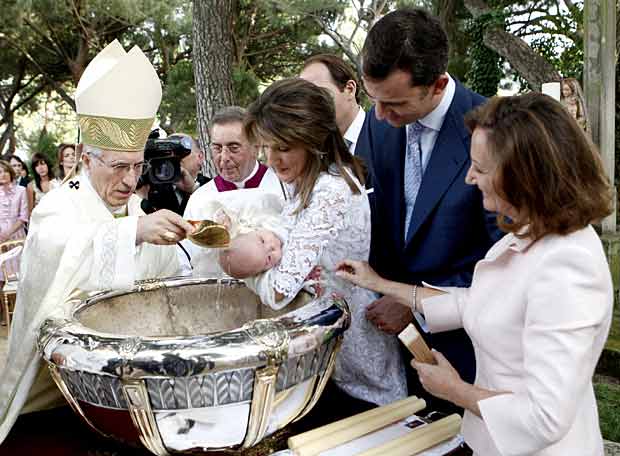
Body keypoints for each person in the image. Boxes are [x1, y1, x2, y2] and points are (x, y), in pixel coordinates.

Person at [337, 93, 613, 456]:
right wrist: (379, 283)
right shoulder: (529, 232)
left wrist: (454, 390)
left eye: (480, 169)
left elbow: (545, 417)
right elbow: (478, 302)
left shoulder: (568, 264)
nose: (469, 178)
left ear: (523, 176)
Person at [0, 39, 194, 444]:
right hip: (54, 393)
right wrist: (133, 235)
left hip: (124, 390)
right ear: (87, 160)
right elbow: (59, 259)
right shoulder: (56, 207)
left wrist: (182, 241)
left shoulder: (133, 210)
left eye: (138, 166)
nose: (129, 180)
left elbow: (158, 281)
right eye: (119, 166)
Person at [355, 7, 502, 408]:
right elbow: (378, 218)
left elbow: (504, 261)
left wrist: (413, 301)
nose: (382, 116)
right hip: (395, 345)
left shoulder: (493, 132)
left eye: (396, 104)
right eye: (375, 100)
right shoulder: (378, 122)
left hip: (470, 351)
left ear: (437, 84)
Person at [243, 78, 407, 418]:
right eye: (266, 148)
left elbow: (277, 291)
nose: (271, 159)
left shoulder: (332, 189)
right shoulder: (307, 182)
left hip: (360, 364)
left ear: (313, 139)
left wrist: (237, 265)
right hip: (327, 360)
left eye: (283, 147)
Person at [181, 107, 283, 275]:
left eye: (233, 147)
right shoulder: (200, 199)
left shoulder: (281, 187)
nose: (224, 157)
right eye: (217, 148)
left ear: (255, 147)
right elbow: (185, 258)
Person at [184, 188, 285, 278]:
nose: (271, 247)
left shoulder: (260, 221)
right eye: (268, 258)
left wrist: (226, 218)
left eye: (262, 241)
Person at [300, 54, 366, 155]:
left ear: (350, 89)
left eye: (319, 92)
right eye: (304, 96)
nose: (310, 103)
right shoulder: (312, 149)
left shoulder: (387, 134)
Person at [0, 160, 28, 277]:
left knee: (19, 273)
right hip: (0, 236)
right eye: (0, 172)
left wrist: (8, 233)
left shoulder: (21, 190)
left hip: (17, 235)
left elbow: (24, 217)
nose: (3, 174)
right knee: (2, 275)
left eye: (6, 171)